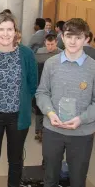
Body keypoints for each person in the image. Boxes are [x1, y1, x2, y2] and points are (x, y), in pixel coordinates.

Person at [0, 13, 38, 187]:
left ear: (15, 31)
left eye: (9, 29)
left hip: (18, 115)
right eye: (1, 29)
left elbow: (32, 83)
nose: (5, 34)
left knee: (15, 158)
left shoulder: (26, 54)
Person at [36, 18, 95, 187]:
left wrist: (81, 119)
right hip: (52, 131)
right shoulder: (51, 63)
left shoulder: (93, 68)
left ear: (86, 39)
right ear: (62, 36)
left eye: (78, 37)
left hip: (82, 134)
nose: (73, 41)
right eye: (69, 36)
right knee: (49, 179)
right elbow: (42, 93)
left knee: (77, 180)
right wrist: (50, 112)